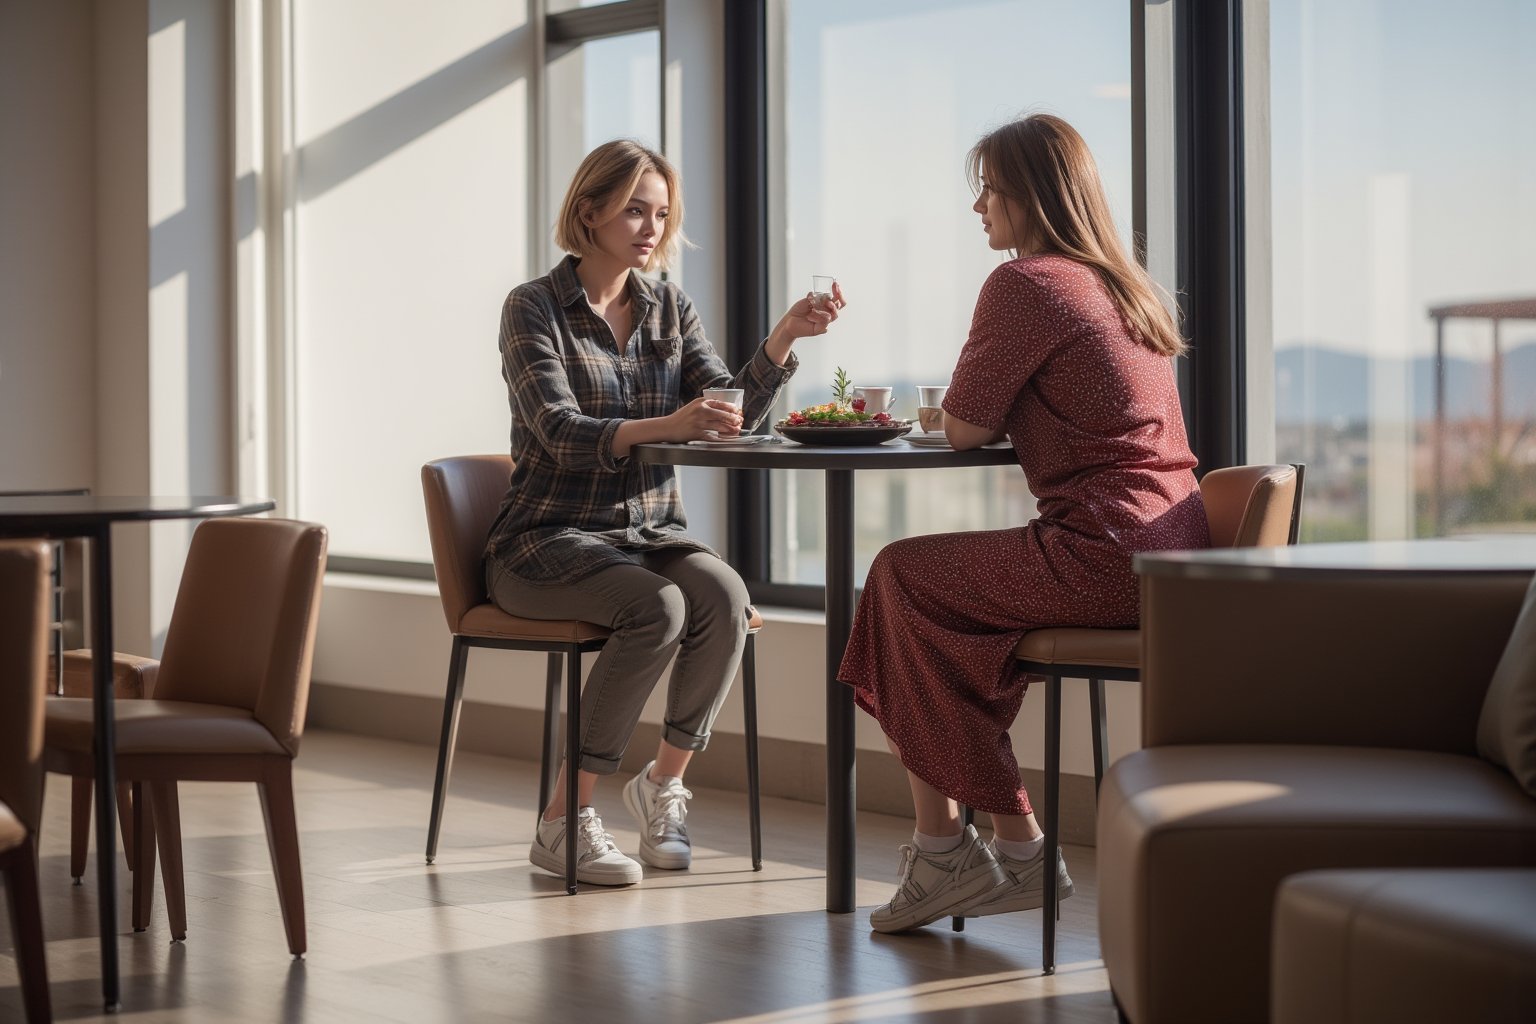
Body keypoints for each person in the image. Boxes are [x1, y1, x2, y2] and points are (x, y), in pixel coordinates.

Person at [838, 114, 1210, 933]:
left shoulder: (1028, 283)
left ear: (1031, 193)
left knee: (899, 576)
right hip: (1172, 553)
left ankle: (964, 851)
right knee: (924, 608)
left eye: (990, 187)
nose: (979, 206)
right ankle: (998, 846)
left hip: (1106, 555)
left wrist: (967, 412)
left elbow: (967, 424)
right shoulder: (1118, 284)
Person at [486, 139, 845, 886]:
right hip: (544, 543)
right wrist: (666, 426)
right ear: (590, 211)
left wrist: (781, 340)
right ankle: (562, 820)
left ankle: (661, 785)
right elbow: (555, 430)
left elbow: (724, 404)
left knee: (725, 595)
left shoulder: (667, 305)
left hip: (645, 534)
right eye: (633, 210)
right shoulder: (533, 308)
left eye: (660, 212)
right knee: (657, 608)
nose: (651, 227)